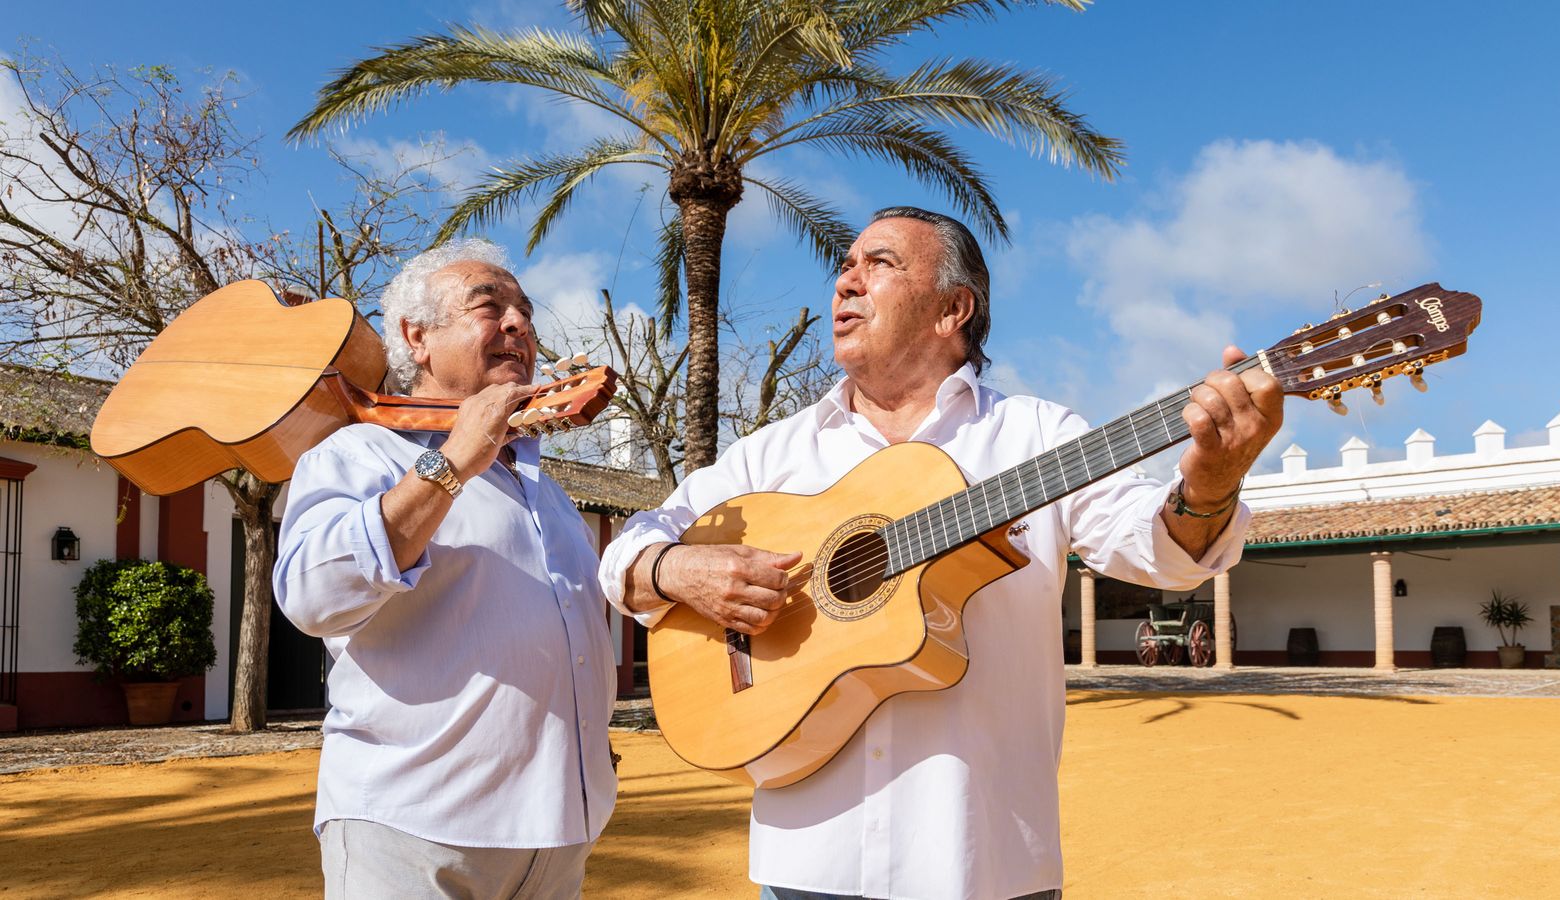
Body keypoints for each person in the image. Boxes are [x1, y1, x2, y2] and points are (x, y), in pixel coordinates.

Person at [598, 207, 1283, 900]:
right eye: (844, 266)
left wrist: (1211, 484)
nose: (846, 283)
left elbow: (1158, 548)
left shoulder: (1037, 437)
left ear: (954, 308)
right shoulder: (771, 454)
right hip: (805, 865)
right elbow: (632, 546)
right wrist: (675, 568)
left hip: (981, 861)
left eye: (880, 264)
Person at [274, 239, 616, 899]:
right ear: (416, 338)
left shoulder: (545, 489)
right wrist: (454, 461)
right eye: (490, 308)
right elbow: (311, 595)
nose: (519, 324)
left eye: (525, 311)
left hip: (559, 833)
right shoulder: (357, 454)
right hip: (414, 831)